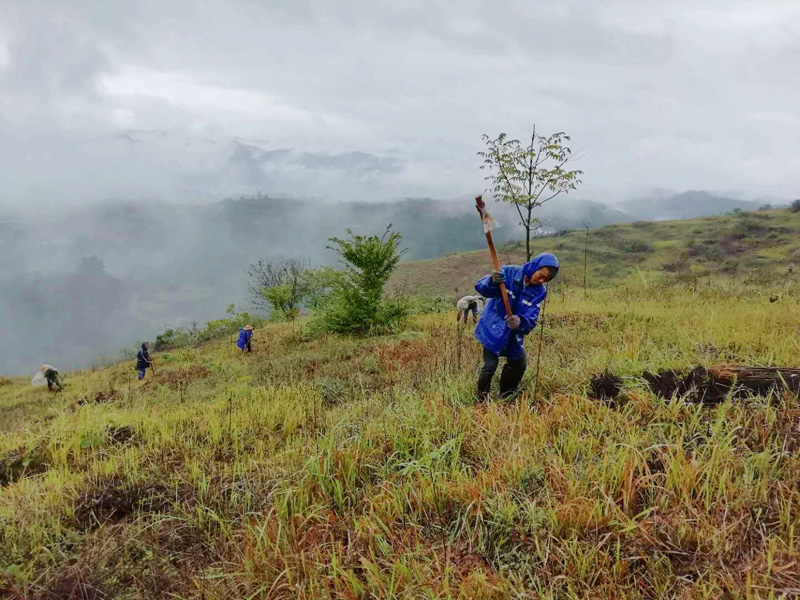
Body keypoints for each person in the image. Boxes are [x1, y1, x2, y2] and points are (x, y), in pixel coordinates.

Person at [474, 252, 559, 401]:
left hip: (513, 334)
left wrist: (520, 322)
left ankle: (506, 395)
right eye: (541, 275)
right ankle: (482, 399)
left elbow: (531, 318)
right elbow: (481, 288)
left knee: (518, 364)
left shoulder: (539, 292)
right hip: (493, 328)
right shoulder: (508, 273)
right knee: (490, 365)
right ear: (535, 266)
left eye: (546, 279)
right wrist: (492, 281)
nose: (541, 280)